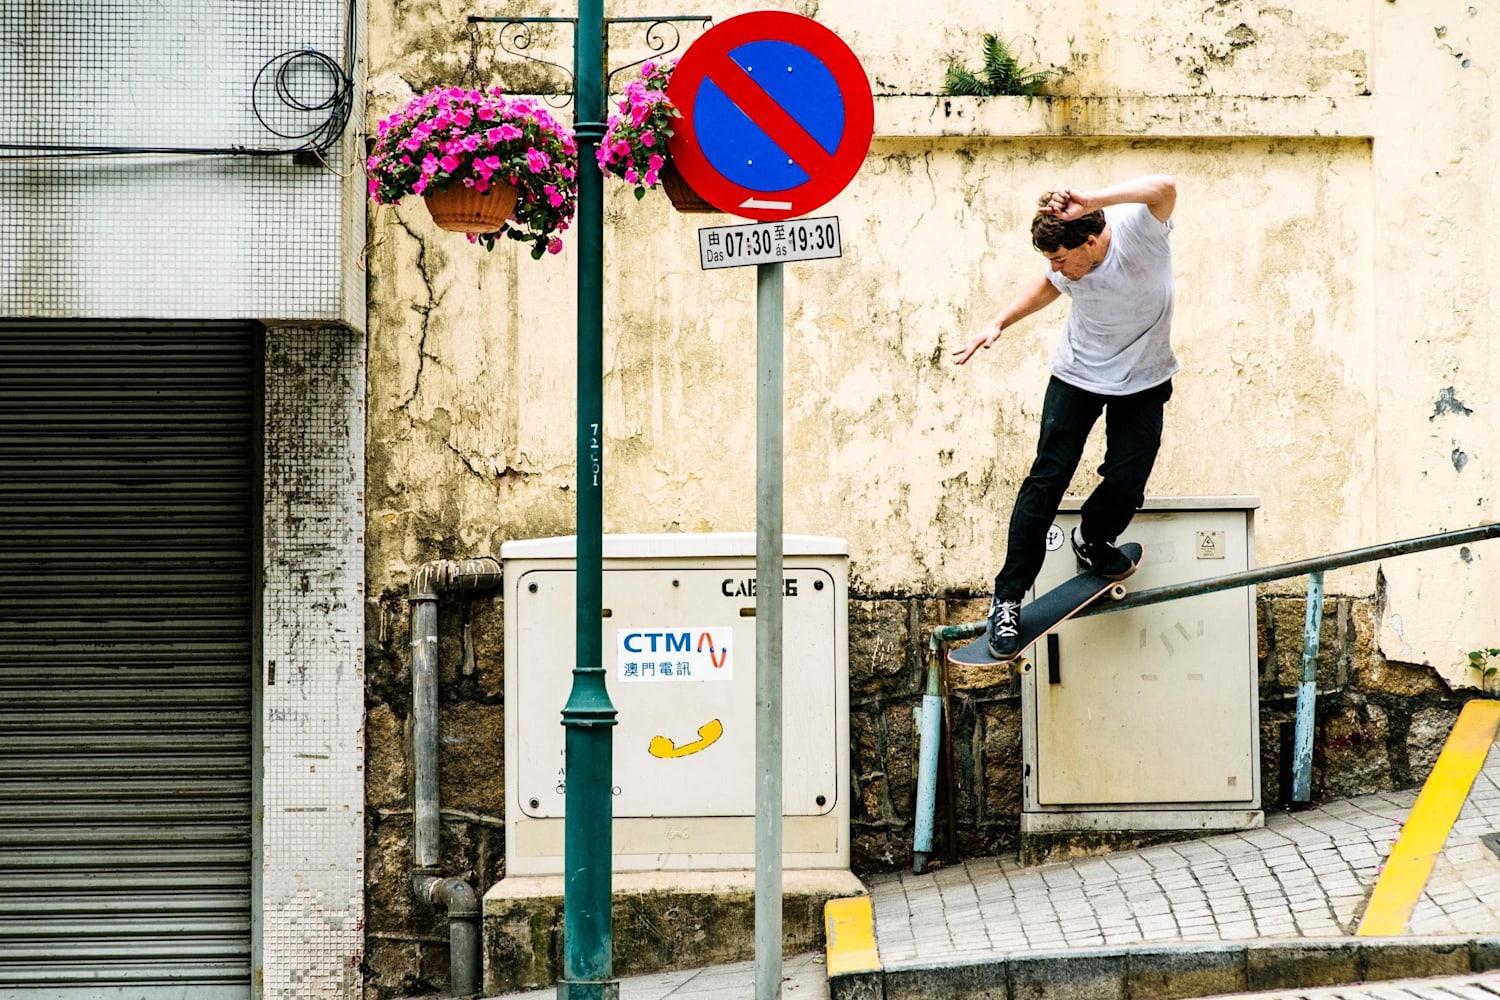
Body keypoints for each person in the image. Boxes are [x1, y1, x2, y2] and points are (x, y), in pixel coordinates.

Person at [951, 174, 1178, 659]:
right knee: (1046, 480)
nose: (1057, 269)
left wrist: (1094, 198)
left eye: (1062, 259)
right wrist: (997, 324)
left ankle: (1093, 539)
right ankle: (1008, 600)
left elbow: (1165, 186)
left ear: (1091, 240)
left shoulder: (1139, 228)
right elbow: (1045, 287)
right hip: (1077, 376)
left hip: (1144, 379)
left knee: (1127, 479)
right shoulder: (1065, 260)